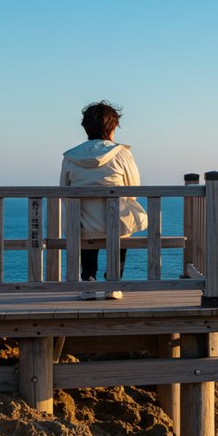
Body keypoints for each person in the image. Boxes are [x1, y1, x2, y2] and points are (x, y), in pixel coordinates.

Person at [60, 100, 147, 299]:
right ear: (113, 127)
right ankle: (113, 283)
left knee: (84, 223)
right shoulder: (122, 153)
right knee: (123, 224)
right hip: (116, 224)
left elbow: (64, 192)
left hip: (83, 226)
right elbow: (133, 190)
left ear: (85, 127)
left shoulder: (70, 157)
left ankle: (88, 281)